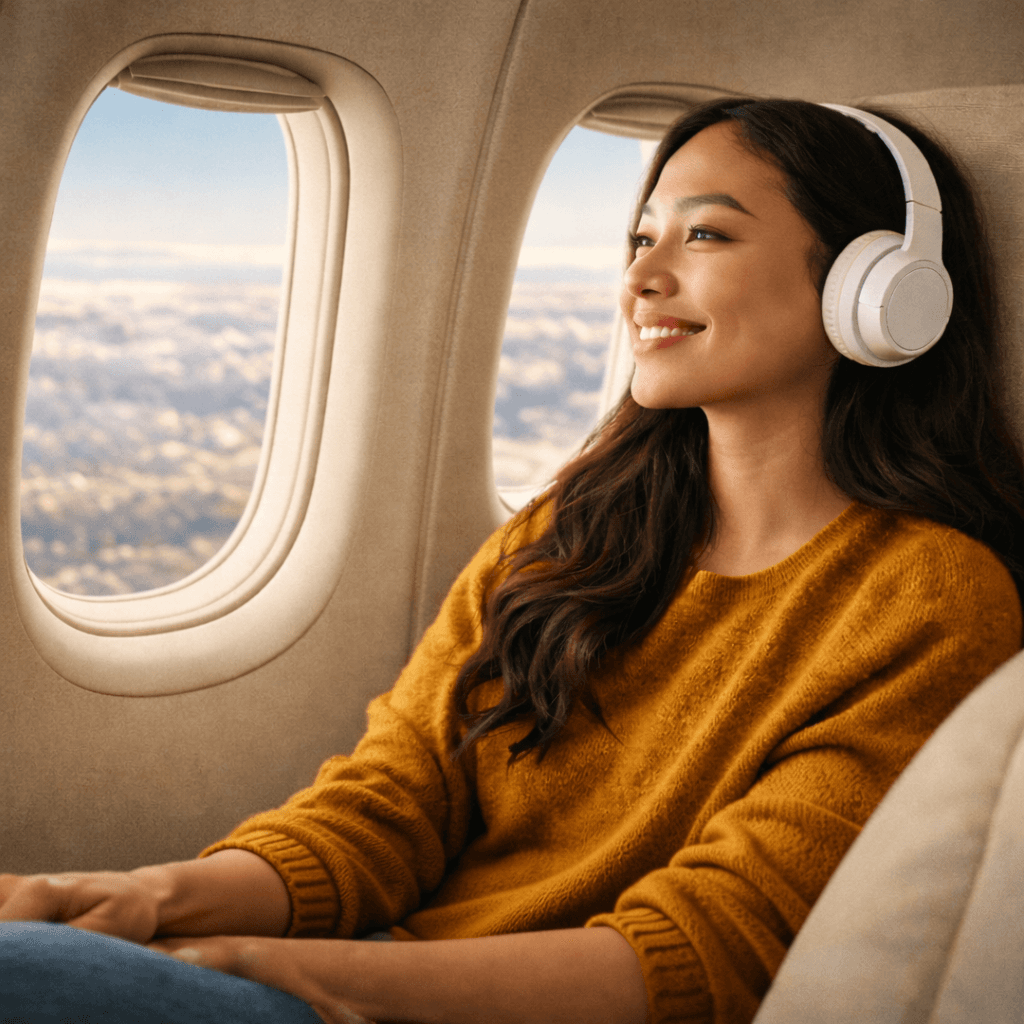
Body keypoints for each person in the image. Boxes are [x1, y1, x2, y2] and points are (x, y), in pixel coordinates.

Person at [1, 97, 1022, 1024]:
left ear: (873, 288)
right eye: (641, 238)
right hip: (372, 973)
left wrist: (281, 971)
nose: (641, 278)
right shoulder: (577, 530)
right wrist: (150, 897)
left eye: (705, 234)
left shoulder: (930, 599)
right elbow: (391, 802)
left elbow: (704, 950)